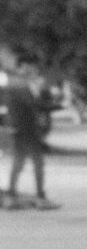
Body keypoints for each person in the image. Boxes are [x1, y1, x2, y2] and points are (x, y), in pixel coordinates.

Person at [4, 58, 59, 210]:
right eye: (29, 67)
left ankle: (12, 196)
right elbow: (34, 105)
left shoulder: (15, 83)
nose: (32, 70)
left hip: (20, 128)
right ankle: (40, 197)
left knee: (20, 162)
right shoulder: (19, 85)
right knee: (37, 163)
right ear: (22, 67)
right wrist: (55, 106)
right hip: (27, 129)